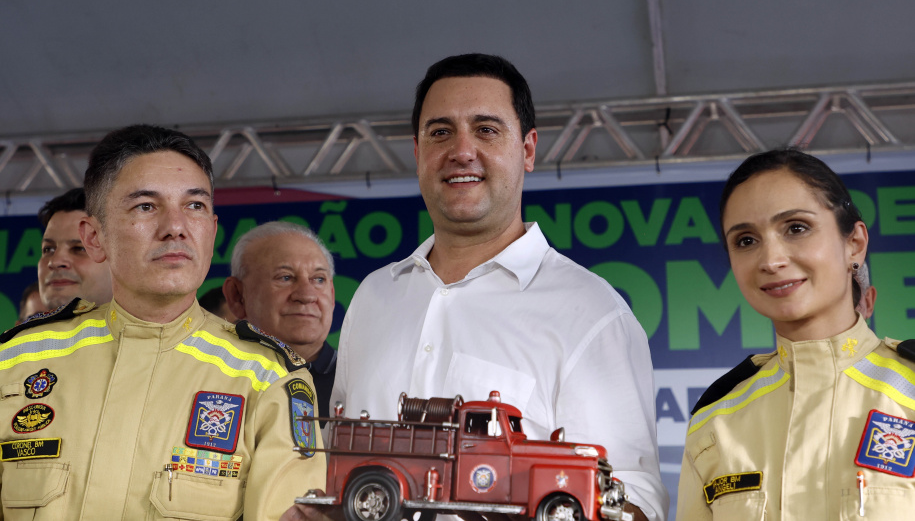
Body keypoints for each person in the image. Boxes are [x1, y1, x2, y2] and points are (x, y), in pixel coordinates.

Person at [317, 54, 667, 521]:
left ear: (527, 150)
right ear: (418, 154)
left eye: (486, 129)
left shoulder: (592, 312)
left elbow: (632, 498)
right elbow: (333, 463)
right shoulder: (374, 296)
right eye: (441, 132)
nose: (462, 150)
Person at [0, 124, 324, 520]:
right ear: (95, 237)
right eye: (146, 206)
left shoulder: (266, 378)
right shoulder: (15, 361)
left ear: (212, 229)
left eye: (194, 206)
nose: (176, 226)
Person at [677, 149, 915, 519]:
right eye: (745, 240)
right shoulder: (716, 420)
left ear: (854, 243)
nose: (771, 260)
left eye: (796, 228)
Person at [223, 221, 337, 424]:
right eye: (285, 277)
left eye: (319, 279)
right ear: (237, 296)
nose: (307, 295)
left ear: (332, 294)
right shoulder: (211, 377)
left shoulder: (361, 383)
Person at [36, 187, 113, 310]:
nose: (55, 262)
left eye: (79, 248)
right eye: (48, 249)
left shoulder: (152, 329)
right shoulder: (26, 330)